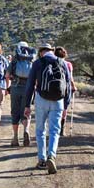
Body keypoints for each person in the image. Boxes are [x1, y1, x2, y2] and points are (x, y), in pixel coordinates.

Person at [24, 43, 71, 174]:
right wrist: (66, 105)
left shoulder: (38, 63)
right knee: (55, 131)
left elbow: (30, 85)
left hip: (41, 100)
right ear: (52, 51)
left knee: (40, 130)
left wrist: (27, 105)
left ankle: (42, 160)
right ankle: (52, 156)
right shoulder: (62, 62)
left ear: (41, 52)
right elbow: (68, 85)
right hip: (58, 101)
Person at [6, 41, 37, 147]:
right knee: (26, 111)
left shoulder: (15, 59)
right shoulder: (32, 60)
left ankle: (15, 138)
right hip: (28, 89)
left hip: (15, 88)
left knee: (15, 112)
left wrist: (9, 83)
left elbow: (7, 75)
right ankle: (26, 130)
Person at [54, 46, 77, 136]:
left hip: (55, 87)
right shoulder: (68, 64)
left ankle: (56, 126)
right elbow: (70, 77)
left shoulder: (53, 62)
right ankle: (62, 129)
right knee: (64, 108)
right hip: (66, 88)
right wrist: (73, 86)